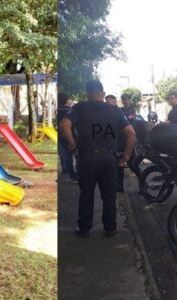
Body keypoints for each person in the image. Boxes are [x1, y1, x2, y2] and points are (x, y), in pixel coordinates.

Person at [60, 80, 136, 238]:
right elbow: (131, 133)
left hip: (86, 158)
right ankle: (110, 228)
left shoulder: (79, 107)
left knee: (86, 194)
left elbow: (64, 125)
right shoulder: (115, 111)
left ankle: (84, 229)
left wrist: (73, 147)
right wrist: (126, 156)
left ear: (87, 93)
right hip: (109, 158)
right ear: (102, 93)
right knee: (109, 195)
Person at [105, 94, 125, 192]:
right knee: (114, 165)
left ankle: (120, 185)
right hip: (111, 142)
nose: (107, 104)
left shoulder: (118, 112)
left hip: (120, 142)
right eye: (106, 102)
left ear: (114, 101)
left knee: (121, 164)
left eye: (109, 102)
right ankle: (116, 184)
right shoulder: (106, 112)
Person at [57, 92, 77, 182]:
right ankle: (79, 175)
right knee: (77, 155)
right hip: (72, 136)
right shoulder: (70, 111)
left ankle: (71, 175)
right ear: (66, 100)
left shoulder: (57, 110)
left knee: (66, 156)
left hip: (61, 137)